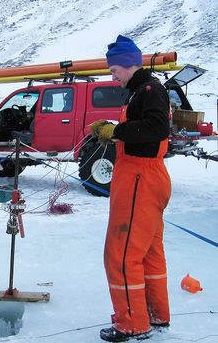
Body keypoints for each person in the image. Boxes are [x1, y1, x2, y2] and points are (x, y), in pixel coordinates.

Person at [90, 35, 172, 342]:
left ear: (128, 64)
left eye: (114, 70)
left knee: (121, 253)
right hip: (146, 178)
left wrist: (117, 131)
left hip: (141, 178)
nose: (113, 76)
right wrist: (112, 130)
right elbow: (147, 126)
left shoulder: (149, 90)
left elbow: (156, 127)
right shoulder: (142, 89)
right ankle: (155, 313)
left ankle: (132, 322)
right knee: (149, 251)